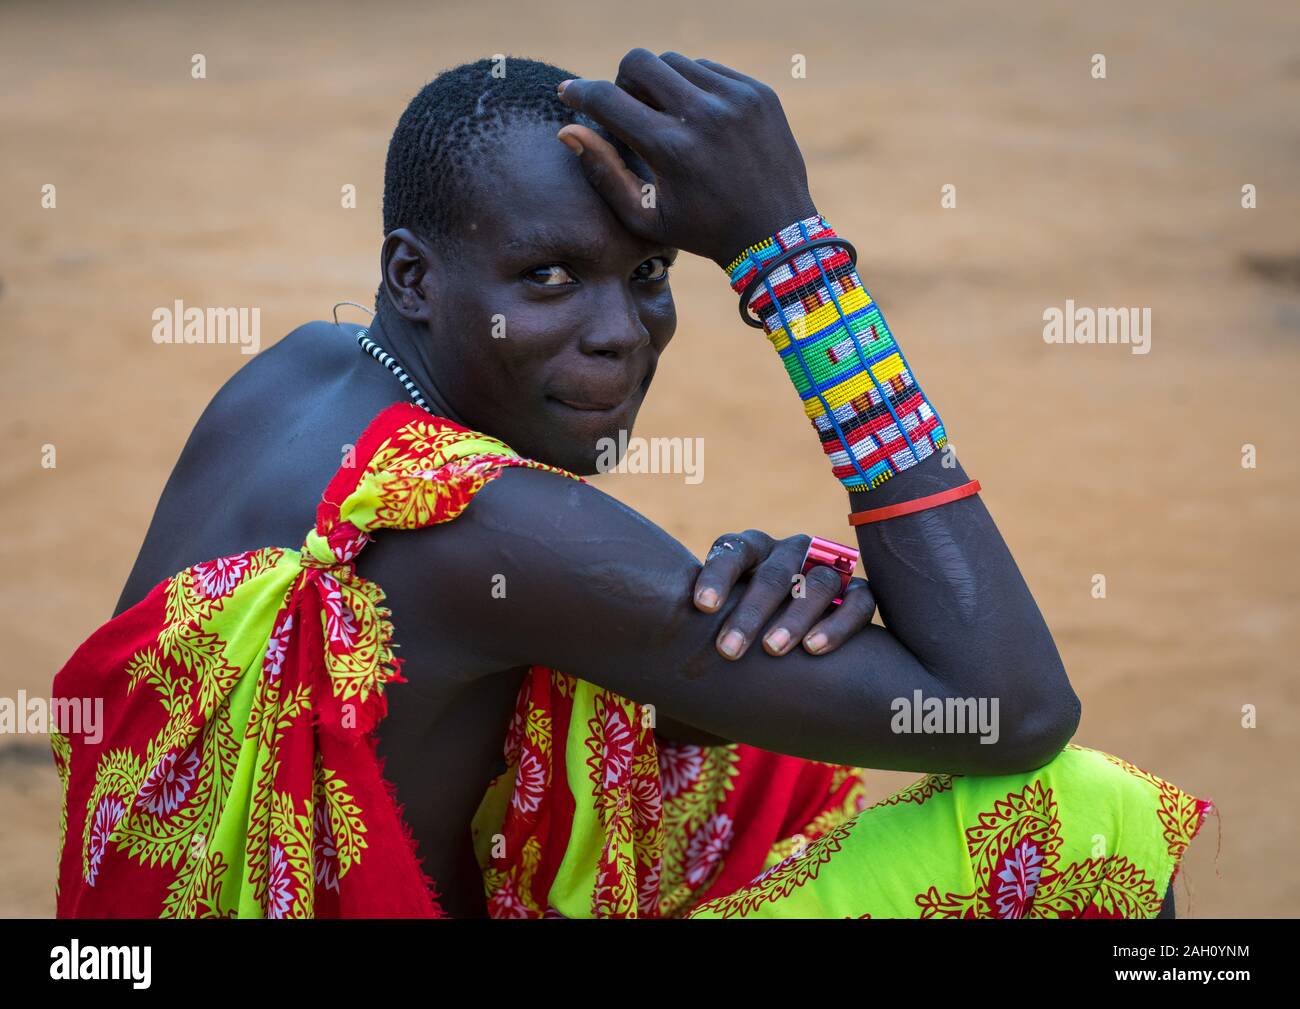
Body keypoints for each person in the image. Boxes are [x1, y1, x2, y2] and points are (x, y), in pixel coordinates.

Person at [50, 51, 1209, 919]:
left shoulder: (296, 372)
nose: (618, 333)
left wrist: (721, 642)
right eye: (547, 276)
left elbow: (447, 685)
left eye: (648, 273)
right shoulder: (480, 525)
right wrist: (793, 262)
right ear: (413, 275)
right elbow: (1010, 711)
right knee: (1074, 816)